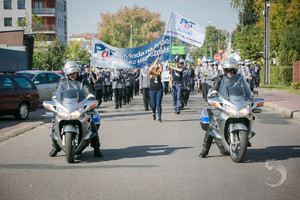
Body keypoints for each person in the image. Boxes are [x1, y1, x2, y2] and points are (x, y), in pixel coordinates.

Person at [49, 61, 103, 158]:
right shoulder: (62, 81)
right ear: (67, 74)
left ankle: (96, 148)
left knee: (92, 124)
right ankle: (56, 147)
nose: (72, 76)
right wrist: (54, 98)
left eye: (74, 73)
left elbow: (88, 90)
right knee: (54, 124)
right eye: (70, 74)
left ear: (77, 72)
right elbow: (56, 92)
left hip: (79, 106)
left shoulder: (82, 80)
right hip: (65, 106)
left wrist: (91, 96)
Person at [199, 57, 241, 158]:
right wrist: (213, 93)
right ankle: (205, 148)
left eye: (232, 70)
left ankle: (243, 137)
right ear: (225, 70)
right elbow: (214, 88)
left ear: (235, 70)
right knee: (213, 123)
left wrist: (250, 95)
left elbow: (245, 89)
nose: (230, 72)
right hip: (223, 105)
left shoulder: (239, 79)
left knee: (248, 114)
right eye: (228, 70)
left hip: (236, 105)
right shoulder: (220, 79)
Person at [148, 57, 164, 122]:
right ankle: (153, 113)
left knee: (158, 104)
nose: (156, 64)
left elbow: (162, 66)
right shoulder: (151, 72)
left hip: (159, 89)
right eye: (155, 64)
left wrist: (158, 61)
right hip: (152, 90)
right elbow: (149, 70)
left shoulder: (159, 71)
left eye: (157, 64)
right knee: (153, 105)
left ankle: (159, 117)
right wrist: (154, 62)